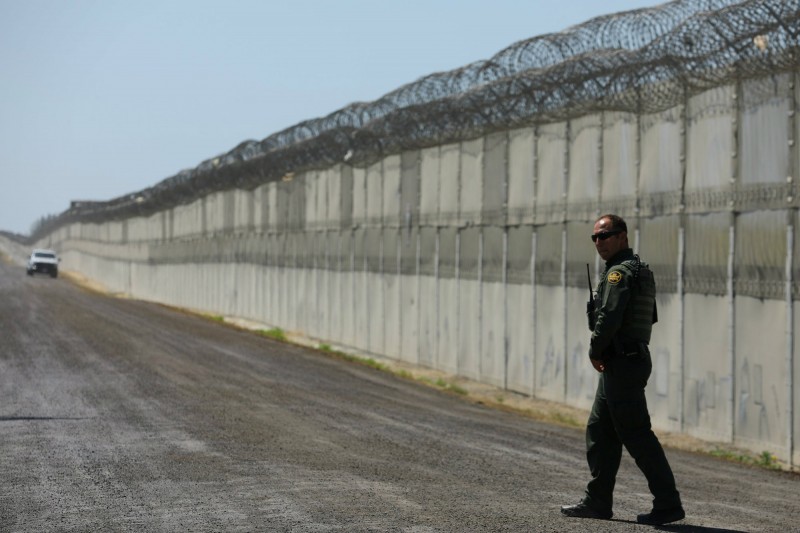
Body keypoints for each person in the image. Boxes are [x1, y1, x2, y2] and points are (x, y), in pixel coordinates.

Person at [560, 214, 685, 526]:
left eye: (606, 235)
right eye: (596, 238)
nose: (599, 242)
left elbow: (611, 318)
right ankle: (597, 501)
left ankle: (668, 503)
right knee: (600, 429)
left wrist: (595, 349)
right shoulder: (638, 270)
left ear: (623, 237)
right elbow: (646, 318)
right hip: (625, 361)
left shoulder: (619, 274)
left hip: (622, 362)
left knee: (637, 434)